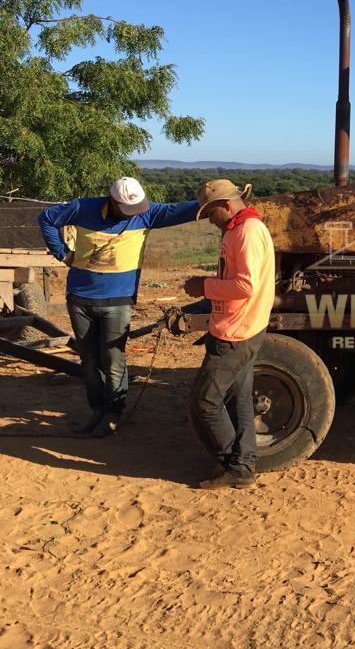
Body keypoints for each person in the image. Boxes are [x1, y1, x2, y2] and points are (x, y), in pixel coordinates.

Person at [37, 177, 199, 436]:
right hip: (79, 298)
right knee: (89, 361)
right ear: (112, 201)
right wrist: (62, 252)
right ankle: (97, 410)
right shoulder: (82, 208)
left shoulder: (147, 214)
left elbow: (184, 210)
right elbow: (46, 218)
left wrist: (216, 199)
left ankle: (113, 413)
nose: (131, 215)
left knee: (113, 359)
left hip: (118, 301)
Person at [183, 179, 275, 489]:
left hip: (236, 331)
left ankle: (234, 465)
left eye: (210, 214)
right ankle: (244, 462)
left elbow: (244, 287)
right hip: (244, 326)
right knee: (239, 401)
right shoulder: (242, 229)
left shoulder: (246, 232)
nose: (210, 221)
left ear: (225, 205)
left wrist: (204, 286)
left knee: (205, 401)